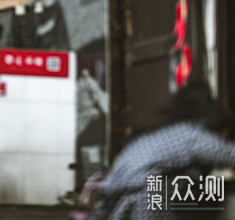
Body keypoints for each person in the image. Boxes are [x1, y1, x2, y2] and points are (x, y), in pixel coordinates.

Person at [89, 81, 235, 220]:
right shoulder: (190, 134)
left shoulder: (161, 133)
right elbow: (230, 155)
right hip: (147, 198)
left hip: (120, 203)